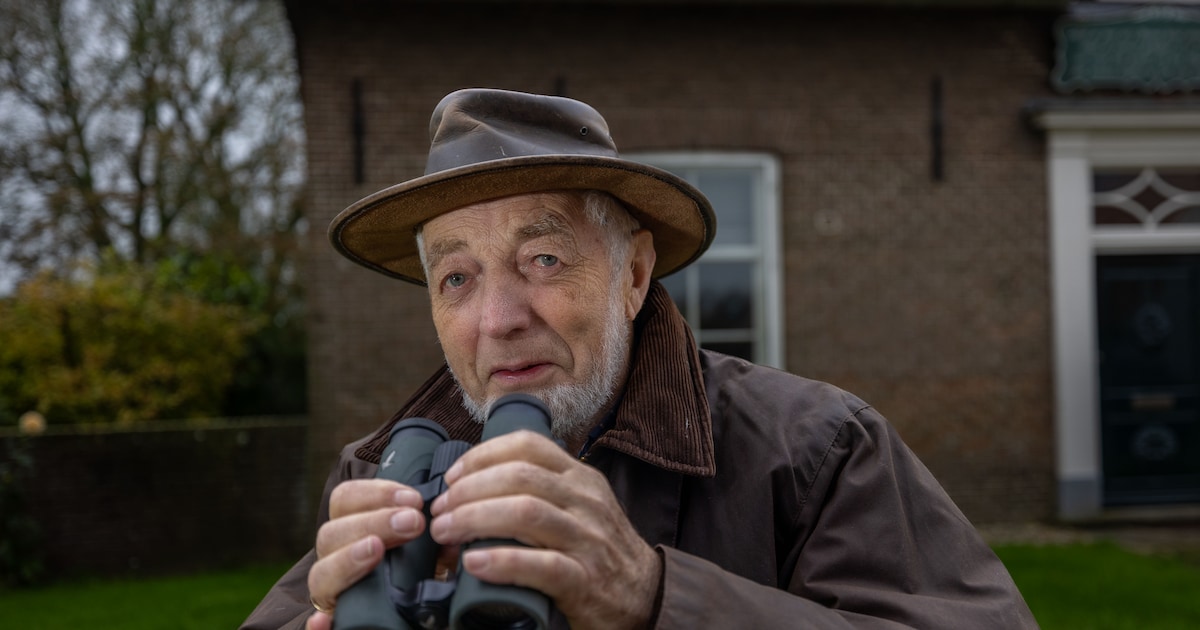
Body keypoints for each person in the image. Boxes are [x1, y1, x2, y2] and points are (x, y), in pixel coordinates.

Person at [242, 88, 1037, 629]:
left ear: (632, 274)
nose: (497, 320)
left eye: (544, 260)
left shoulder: (814, 449)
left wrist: (655, 597)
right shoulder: (380, 475)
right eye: (456, 277)